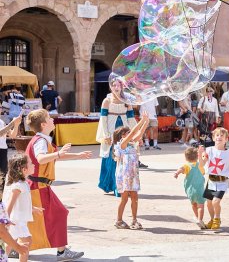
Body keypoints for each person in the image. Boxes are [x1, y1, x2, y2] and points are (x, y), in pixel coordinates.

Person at [25, 108, 92, 260]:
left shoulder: (42, 139)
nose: (53, 119)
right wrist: (60, 153)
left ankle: (15, 247)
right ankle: (61, 252)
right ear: (43, 124)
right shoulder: (41, 141)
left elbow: (51, 157)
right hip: (38, 187)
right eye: (49, 118)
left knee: (30, 217)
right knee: (57, 214)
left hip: (39, 186)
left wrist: (77, 155)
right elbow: (42, 158)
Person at [96, 79, 138, 196]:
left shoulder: (126, 101)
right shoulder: (107, 101)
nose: (116, 87)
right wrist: (106, 135)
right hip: (111, 130)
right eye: (113, 85)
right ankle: (114, 186)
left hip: (124, 130)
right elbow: (103, 119)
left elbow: (130, 118)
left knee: (124, 157)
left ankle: (122, 186)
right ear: (111, 87)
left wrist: (134, 133)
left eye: (118, 85)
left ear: (122, 86)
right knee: (112, 158)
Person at [199, 128, 229, 229]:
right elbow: (202, 164)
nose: (219, 137)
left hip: (222, 182)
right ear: (213, 138)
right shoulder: (209, 150)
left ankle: (217, 219)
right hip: (211, 180)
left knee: (216, 201)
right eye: (217, 135)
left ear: (226, 139)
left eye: (222, 136)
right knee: (209, 203)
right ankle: (212, 220)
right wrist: (201, 155)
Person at [3, 153, 43, 262]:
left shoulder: (23, 183)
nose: (34, 164)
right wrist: (5, 220)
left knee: (9, 244)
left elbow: (21, 203)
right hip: (16, 220)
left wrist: (32, 208)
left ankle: (3, 258)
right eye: (30, 163)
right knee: (26, 243)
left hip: (17, 219)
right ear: (23, 169)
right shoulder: (18, 186)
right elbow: (10, 203)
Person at [113, 112, 149, 230]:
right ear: (123, 136)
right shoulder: (122, 144)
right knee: (124, 198)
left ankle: (134, 220)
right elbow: (134, 132)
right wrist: (141, 120)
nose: (130, 135)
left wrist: (146, 121)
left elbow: (139, 133)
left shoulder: (132, 144)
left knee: (135, 197)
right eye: (128, 133)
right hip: (124, 175)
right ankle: (118, 220)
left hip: (133, 174)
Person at [174, 147, 206, 229]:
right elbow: (204, 167)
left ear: (186, 157)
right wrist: (202, 154)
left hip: (190, 190)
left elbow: (181, 169)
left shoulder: (187, 166)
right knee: (201, 206)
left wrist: (177, 173)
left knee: (193, 204)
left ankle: (196, 217)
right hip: (200, 190)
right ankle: (200, 219)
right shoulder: (200, 165)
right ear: (197, 156)